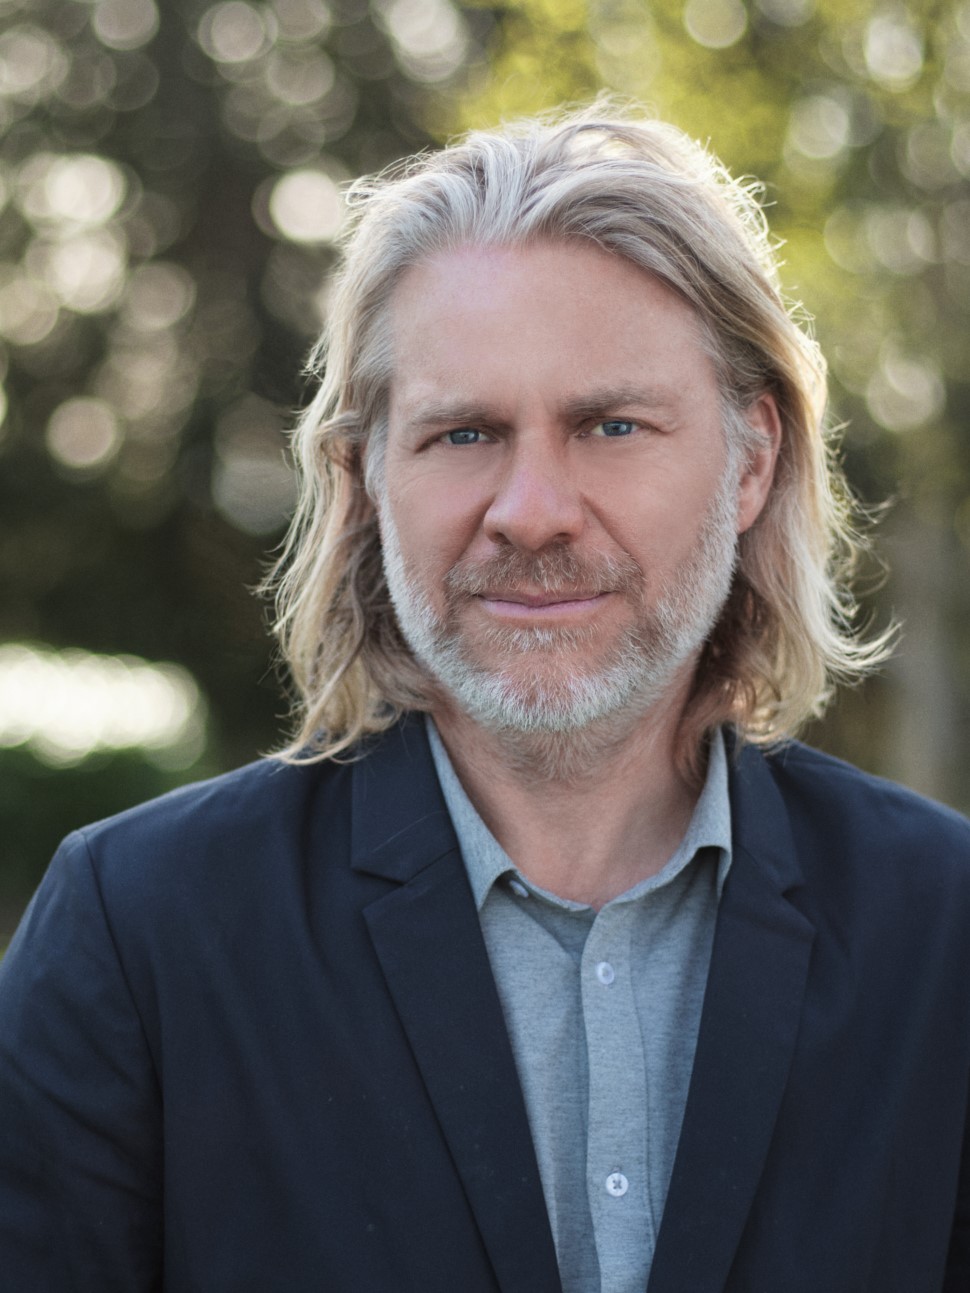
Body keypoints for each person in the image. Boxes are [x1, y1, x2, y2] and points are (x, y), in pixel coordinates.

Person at [1, 104, 968, 1293]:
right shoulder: (141, 936)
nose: (531, 512)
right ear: (366, 478)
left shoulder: (945, 934)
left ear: (751, 461)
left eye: (610, 425)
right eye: (464, 434)